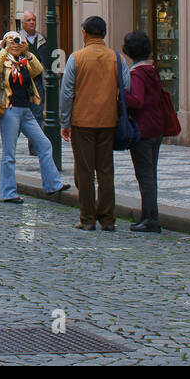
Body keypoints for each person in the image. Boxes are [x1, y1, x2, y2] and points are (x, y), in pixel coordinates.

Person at [60, 15, 130, 231]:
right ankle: (108, 218)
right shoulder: (117, 58)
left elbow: (67, 91)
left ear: (85, 33)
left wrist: (65, 120)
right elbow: (126, 87)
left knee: (84, 170)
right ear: (104, 34)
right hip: (109, 120)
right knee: (106, 170)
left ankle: (88, 218)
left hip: (82, 121)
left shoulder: (77, 57)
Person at [0, 31, 69, 204]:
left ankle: (52, 185)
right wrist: (4, 48)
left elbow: (38, 70)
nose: (16, 45)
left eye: (19, 42)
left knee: (44, 144)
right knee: (9, 153)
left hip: (26, 110)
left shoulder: (24, 62)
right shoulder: (2, 60)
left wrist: (27, 52)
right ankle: (8, 192)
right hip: (9, 110)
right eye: (13, 42)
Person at [123, 29, 167, 233]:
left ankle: (150, 218)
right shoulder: (151, 69)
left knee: (145, 176)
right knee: (151, 174)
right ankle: (149, 215)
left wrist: (121, 95)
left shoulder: (138, 73)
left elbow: (137, 100)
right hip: (156, 127)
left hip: (143, 129)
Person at [21, 11, 47, 127]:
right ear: (22, 23)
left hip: (38, 81)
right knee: (19, 115)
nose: (32, 22)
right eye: (28, 20)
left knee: (37, 114)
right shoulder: (16, 39)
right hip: (21, 81)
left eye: (34, 20)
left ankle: (34, 144)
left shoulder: (43, 40)